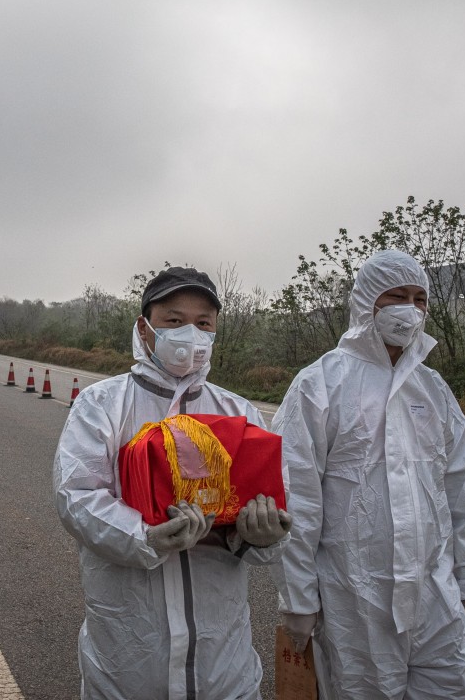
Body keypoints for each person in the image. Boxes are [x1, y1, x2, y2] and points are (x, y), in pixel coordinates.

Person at [54, 266, 293, 700]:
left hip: (223, 657)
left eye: (203, 323)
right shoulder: (102, 404)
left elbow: (272, 501)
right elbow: (77, 496)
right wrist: (144, 536)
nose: (190, 334)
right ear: (144, 328)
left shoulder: (240, 414)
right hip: (130, 649)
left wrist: (261, 536)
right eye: (174, 320)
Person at [271, 249, 465, 699]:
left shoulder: (432, 389)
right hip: (355, 600)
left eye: (419, 299)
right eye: (396, 296)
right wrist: (299, 599)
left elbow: (461, 496)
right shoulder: (321, 383)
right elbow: (296, 499)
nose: (410, 309)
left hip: (435, 596)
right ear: (366, 301)